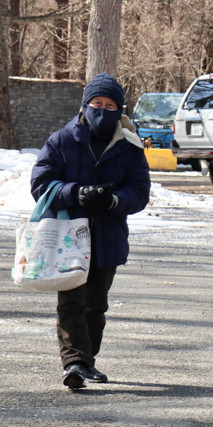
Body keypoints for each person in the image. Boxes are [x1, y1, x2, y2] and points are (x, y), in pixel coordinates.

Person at [30, 73, 151, 390]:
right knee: (71, 301)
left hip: (107, 238)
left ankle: (87, 360)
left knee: (96, 305)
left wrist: (113, 201)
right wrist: (76, 193)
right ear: (85, 105)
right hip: (68, 237)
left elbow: (139, 192)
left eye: (110, 104)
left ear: (119, 110)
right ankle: (73, 362)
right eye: (97, 103)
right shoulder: (61, 140)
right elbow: (41, 184)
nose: (102, 109)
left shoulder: (130, 146)